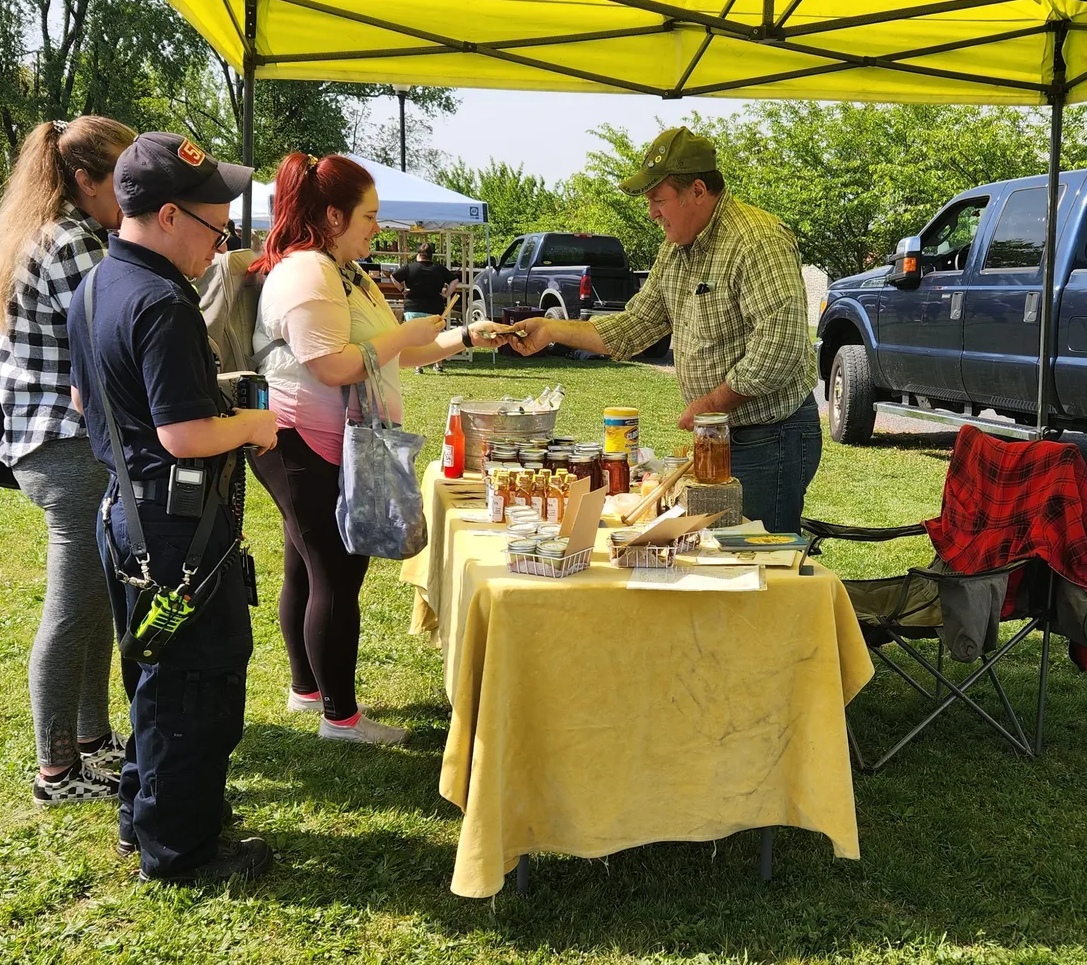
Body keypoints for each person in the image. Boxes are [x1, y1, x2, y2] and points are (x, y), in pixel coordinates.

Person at [68, 131, 280, 884]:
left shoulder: (96, 285)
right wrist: (253, 424)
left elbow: (84, 397)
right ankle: (181, 851)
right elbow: (185, 434)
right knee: (199, 683)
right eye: (214, 227)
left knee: (156, 676)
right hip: (175, 522)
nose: (218, 244)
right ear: (166, 216)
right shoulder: (161, 300)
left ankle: (147, 816)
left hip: (125, 511)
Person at [250, 153, 507, 744]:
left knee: (306, 564)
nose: (378, 227)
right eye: (369, 216)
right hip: (303, 442)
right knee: (336, 572)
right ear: (333, 215)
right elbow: (332, 364)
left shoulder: (345, 269)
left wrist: (462, 335)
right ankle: (339, 718)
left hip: (329, 443)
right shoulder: (307, 273)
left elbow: (397, 352)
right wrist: (404, 333)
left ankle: (308, 691)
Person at [511, 126, 821, 533]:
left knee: (759, 569)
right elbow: (636, 325)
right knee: (716, 561)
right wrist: (552, 330)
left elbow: (780, 344)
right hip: (724, 434)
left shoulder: (756, 240)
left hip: (770, 437)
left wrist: (712, 403)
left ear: (697, 190)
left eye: (658, 200)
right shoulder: (675, 249)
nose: (652, 213)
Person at [0, 116, 138, 805]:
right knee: (75, 607)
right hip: (67, 444)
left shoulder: (45, 234)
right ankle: (56, 771)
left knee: (95, 598)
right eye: (124, 181)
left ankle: (90, 738)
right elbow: (114, 341)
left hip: (51, 442)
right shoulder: (73, 243)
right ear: (84, 181)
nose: (132, 196)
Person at [392, 241, 460, 373]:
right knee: (436, 337)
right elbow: (454, 280)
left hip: (413, 308)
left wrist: (402, 289)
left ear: (418, 254)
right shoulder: (439, 269)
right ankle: (438, 364)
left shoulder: (409, 268)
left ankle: (419, 366)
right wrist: (447, 294)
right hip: (434, 308)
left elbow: (394, 277)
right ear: (431, 255)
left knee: (415, 338)